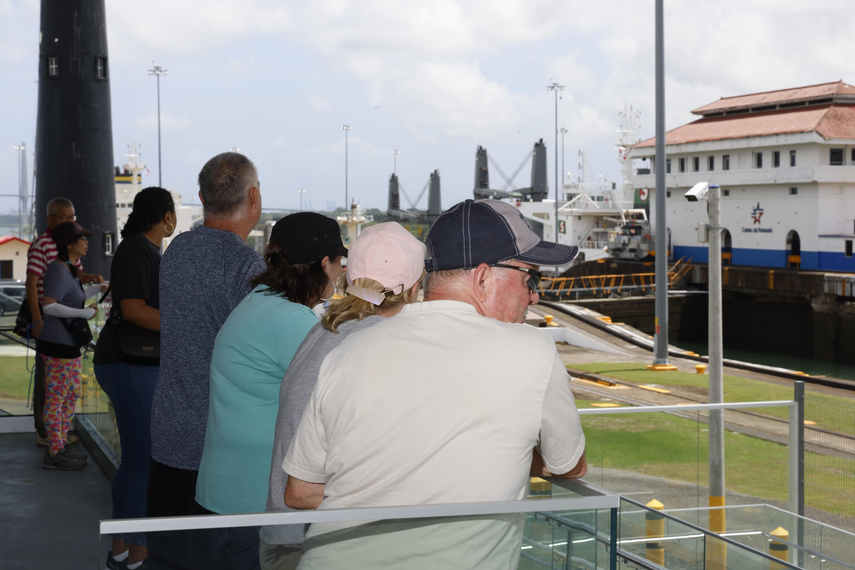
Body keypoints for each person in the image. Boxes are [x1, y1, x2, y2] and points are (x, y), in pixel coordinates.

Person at [283, 199, 587, 569]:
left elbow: (302, 490)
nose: (534, 295)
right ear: (482, 277)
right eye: (529, 279)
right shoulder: (534, 351)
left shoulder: (347, 351)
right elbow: (570, 465)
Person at [260, 222, 425, 570]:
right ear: (412, 288)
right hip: (315, 542)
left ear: (350, 278)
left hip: (286, 535)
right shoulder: (379, 345)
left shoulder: (326, 328)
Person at [195, 212, 348, 569]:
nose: (342, 273)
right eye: (340, 262)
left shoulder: (259, 300)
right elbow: (339, 396)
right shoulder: (293, 320)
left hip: (225, 494)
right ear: (325, 264)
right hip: (255, 501)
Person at [147, 152, 265, 565]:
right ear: (254, 197)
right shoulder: (245, 265)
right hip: (218, 451)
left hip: (168, 435)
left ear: (201, 196)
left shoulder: (177, 250)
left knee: (169, 557)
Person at [94, 187, 176, 570]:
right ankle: (139, 550)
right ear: (166, 217)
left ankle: (122, 549)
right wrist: (185, 325)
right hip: (129, 362)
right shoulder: (137, 249)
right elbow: (133, 311)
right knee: (143, 461)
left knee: (134, 461)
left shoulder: (143, 249)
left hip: (132, 363)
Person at [26, 198, 104, 446]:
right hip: (53, 327)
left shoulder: (67, 259)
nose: (72, 222)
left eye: (73, 217)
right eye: (65, 218)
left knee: (65, 392)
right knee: (52, 390)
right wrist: (38, 318)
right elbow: (33, 284)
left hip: (65, 330)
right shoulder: (43, 247)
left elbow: (76, 279)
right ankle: (49, 438)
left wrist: (93, 282)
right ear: (50, 219)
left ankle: (56, 437)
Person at [39, 222, 107, 470]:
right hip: (58, 346)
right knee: (57, 399)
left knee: (70, 396)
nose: (87, 242)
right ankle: (55, 451)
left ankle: (59, 445)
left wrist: (96, 289)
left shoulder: (68, 268)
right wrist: (82, 313)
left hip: (68, 345)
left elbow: (71, 298)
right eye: (83, 239)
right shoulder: (58, 270)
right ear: (70, 243)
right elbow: (49, 306)